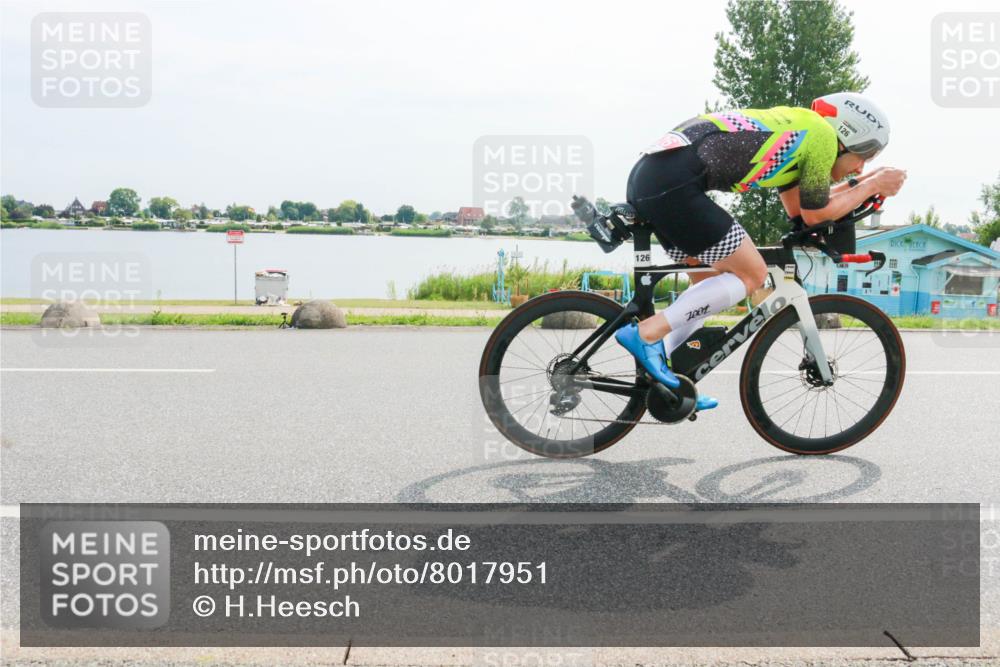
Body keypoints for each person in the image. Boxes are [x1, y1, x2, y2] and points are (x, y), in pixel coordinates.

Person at [614, 91, 907, 411]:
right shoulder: (822, 135)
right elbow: (815, 213)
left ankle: (665, 378)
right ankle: (648, 335)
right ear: (847, 135)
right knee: (752, 274)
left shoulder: (801, 134)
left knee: (708, 288)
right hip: (674, 185)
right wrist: (872, 184)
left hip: (654, 177)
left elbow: (801, 211)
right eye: (865, 155)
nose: (861, 166)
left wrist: (862, 186)